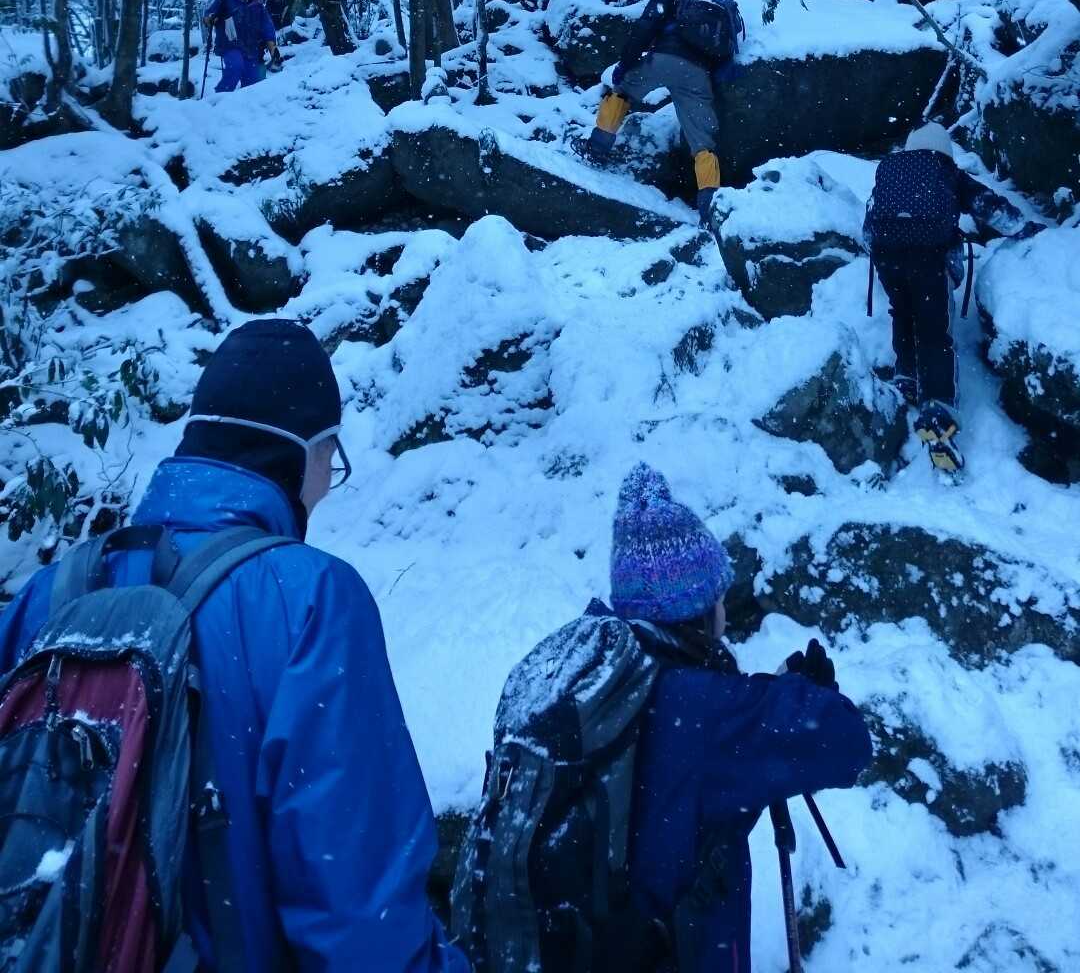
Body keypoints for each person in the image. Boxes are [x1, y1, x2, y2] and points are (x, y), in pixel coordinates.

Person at [0, 318, 468, 973]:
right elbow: (360, 914)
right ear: (302, 451)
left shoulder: (47, 596)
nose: (325, 485)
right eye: (329, 459)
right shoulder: (308, 599)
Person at [457, 465, 871, 973]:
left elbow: (697, 763)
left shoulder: (596, 686)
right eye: (719, 595)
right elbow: (848, 743)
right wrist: (803, 696)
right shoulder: (706, 712)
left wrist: (769, 691)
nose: (725, 609)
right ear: (699, 608)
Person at [864, 121, 1032, 474]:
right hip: (928, 258)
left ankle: (907, 376)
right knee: (934, 332)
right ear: (943, 148)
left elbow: (869, 226)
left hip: (887, 255)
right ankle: (938, 413)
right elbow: (988, 206)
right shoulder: (945, 170)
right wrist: (1026, 228)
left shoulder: (892, 169)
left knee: (902, 312)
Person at [586, 0, 743, 223]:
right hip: (698, 74)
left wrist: (626, 63)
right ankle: (709, 205)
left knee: (622, 92)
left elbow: (648, 23)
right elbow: (726, 55)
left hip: (663, 59)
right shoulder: (724, 6)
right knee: (702, 143)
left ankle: (597, 149)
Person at [204, 0, 281, 91]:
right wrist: (210, 19)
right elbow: (209, 14)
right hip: (230, 46)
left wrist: (272, 48)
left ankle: (244, 104)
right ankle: (219, 99)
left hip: (251, 50)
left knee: (253, 87)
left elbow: (267, 27)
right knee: (235, 66)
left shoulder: (258, 4)